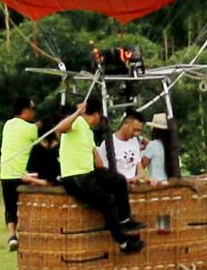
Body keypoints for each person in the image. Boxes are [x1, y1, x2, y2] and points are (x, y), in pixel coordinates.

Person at [53, 99, 143, 252]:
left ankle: (125, 219)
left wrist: (110, 177)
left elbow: (99, 162)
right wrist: (77, 113)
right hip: (75, 177)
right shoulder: (76, 122)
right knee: (107, 202)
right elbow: (60, 128)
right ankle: (123, 243)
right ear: (96, 114)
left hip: (89, 174)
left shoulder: (87, 131)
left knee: (119, 180)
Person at [0, 98, 41, 248]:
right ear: (25, 110)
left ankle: (12, 235)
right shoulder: (30, 129)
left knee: (10, 208)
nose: (34, 112)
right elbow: (42, 134)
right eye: (33, 108)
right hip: (24, 176)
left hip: (6, 175)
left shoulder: (7, 125)